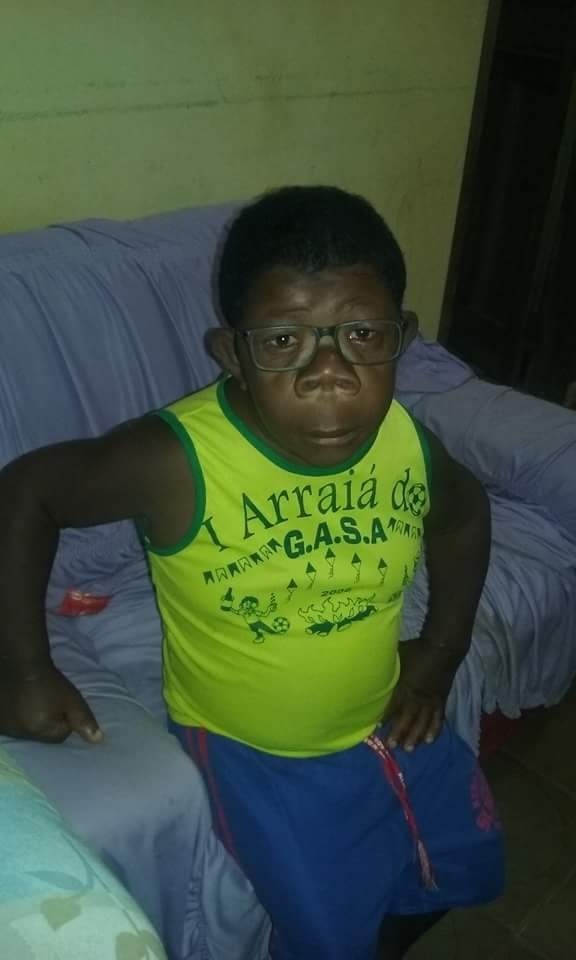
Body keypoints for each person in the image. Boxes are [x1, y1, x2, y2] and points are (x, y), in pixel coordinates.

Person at [0, 186, 504, 959]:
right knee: (327, 931)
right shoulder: (176, 462)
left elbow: (464, 517)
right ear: (232, 353)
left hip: (387, 716)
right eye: (284, 341)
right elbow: (25, 495)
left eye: (362, 334)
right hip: (258, 760)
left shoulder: (405, 439)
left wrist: (439, 655)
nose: (329, 374)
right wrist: (27, 672)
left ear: (401, 337)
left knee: (456, 859)